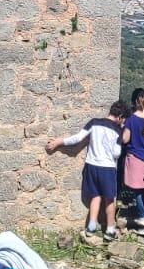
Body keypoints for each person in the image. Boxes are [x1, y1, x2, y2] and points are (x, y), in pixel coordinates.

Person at [44, 100, 129, 238]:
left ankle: (91, 227)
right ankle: (110, 230)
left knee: (95, 196)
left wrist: (59, 142)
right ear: (120, 116)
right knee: (109, 199)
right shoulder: (118, 130)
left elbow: (77, 138)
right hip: (107, 168)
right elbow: (116, 153)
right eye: (123, 119)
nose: (122, 122)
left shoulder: (94, 122)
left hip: (91, 165)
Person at [120, 89, 144, 224]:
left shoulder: (131, 119)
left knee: (138, 190)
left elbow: (125, 139)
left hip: (135, 157)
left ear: (135, 102)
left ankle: (142, 216)